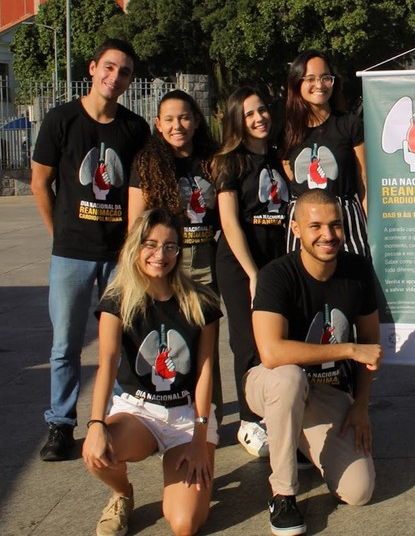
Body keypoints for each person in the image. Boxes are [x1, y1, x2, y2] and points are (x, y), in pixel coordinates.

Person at [31, 39, 150, 461]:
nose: (115, 78)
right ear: (93, 67)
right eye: (110, 68)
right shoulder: (61, 119)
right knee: (64, 345)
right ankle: (61, 424)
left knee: (120, 341)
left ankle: (119, 419)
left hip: (119, 256)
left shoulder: (135, 129)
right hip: (72, 253)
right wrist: (59, 233)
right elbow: (39, 182)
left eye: (125, 72)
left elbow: (140, 189)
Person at [246, 189, 381, 536]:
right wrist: (347, 350)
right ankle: (283, 494)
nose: (328, 235)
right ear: (296, 229)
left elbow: (370, 343)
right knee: (289, 379)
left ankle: (299, 439)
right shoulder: (276, 275)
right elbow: (272, 353)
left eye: (335, 225)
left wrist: (361, 405)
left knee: (359, 491)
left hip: (325, 392)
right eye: (316, 226)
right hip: (269, 382)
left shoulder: (358, 270)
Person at [82, 208, 222, 536]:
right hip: (139, 412)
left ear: (180, 251)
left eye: (170, 246)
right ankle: (122, 494)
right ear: (136, 246)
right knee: (98, 451)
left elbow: (205, 372)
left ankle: (177, 479)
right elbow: (107, 364)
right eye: (151, 245)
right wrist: (96, 423)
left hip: (188, 417)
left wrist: (200, 438)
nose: (161, 255)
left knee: (185, 524)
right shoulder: (118, 300)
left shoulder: (200, 302)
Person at [211, 88, 290, 457]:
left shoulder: (277, 159)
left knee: (276, 341)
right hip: (241, 266)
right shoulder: (230, 162)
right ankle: (248, 421)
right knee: (246, 342)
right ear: (236, 121)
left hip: (275, 264)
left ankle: (275, 409)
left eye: (262, 110)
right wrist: (253, 272)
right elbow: (229, 222)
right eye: (249, 114)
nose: (259, 118)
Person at [281, 50, 370, 258]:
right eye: (310, 79)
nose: (319, 85)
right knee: (305, 286)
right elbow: (289, 170)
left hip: (346, 218)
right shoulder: (287, 130)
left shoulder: (349, 124)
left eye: (325, 78)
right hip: (305, 221)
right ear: (297, 83)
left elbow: (363, 180)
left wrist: (370, 226)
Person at [129, 90, 218, 286]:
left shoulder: (214, 160)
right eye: (169, 120)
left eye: (184, 118)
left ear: (196, 120)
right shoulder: (147, 163)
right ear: (158, 124)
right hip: (165, 257)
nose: (177, 126)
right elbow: (135, 223)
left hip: (206, 257)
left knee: (207, 316)